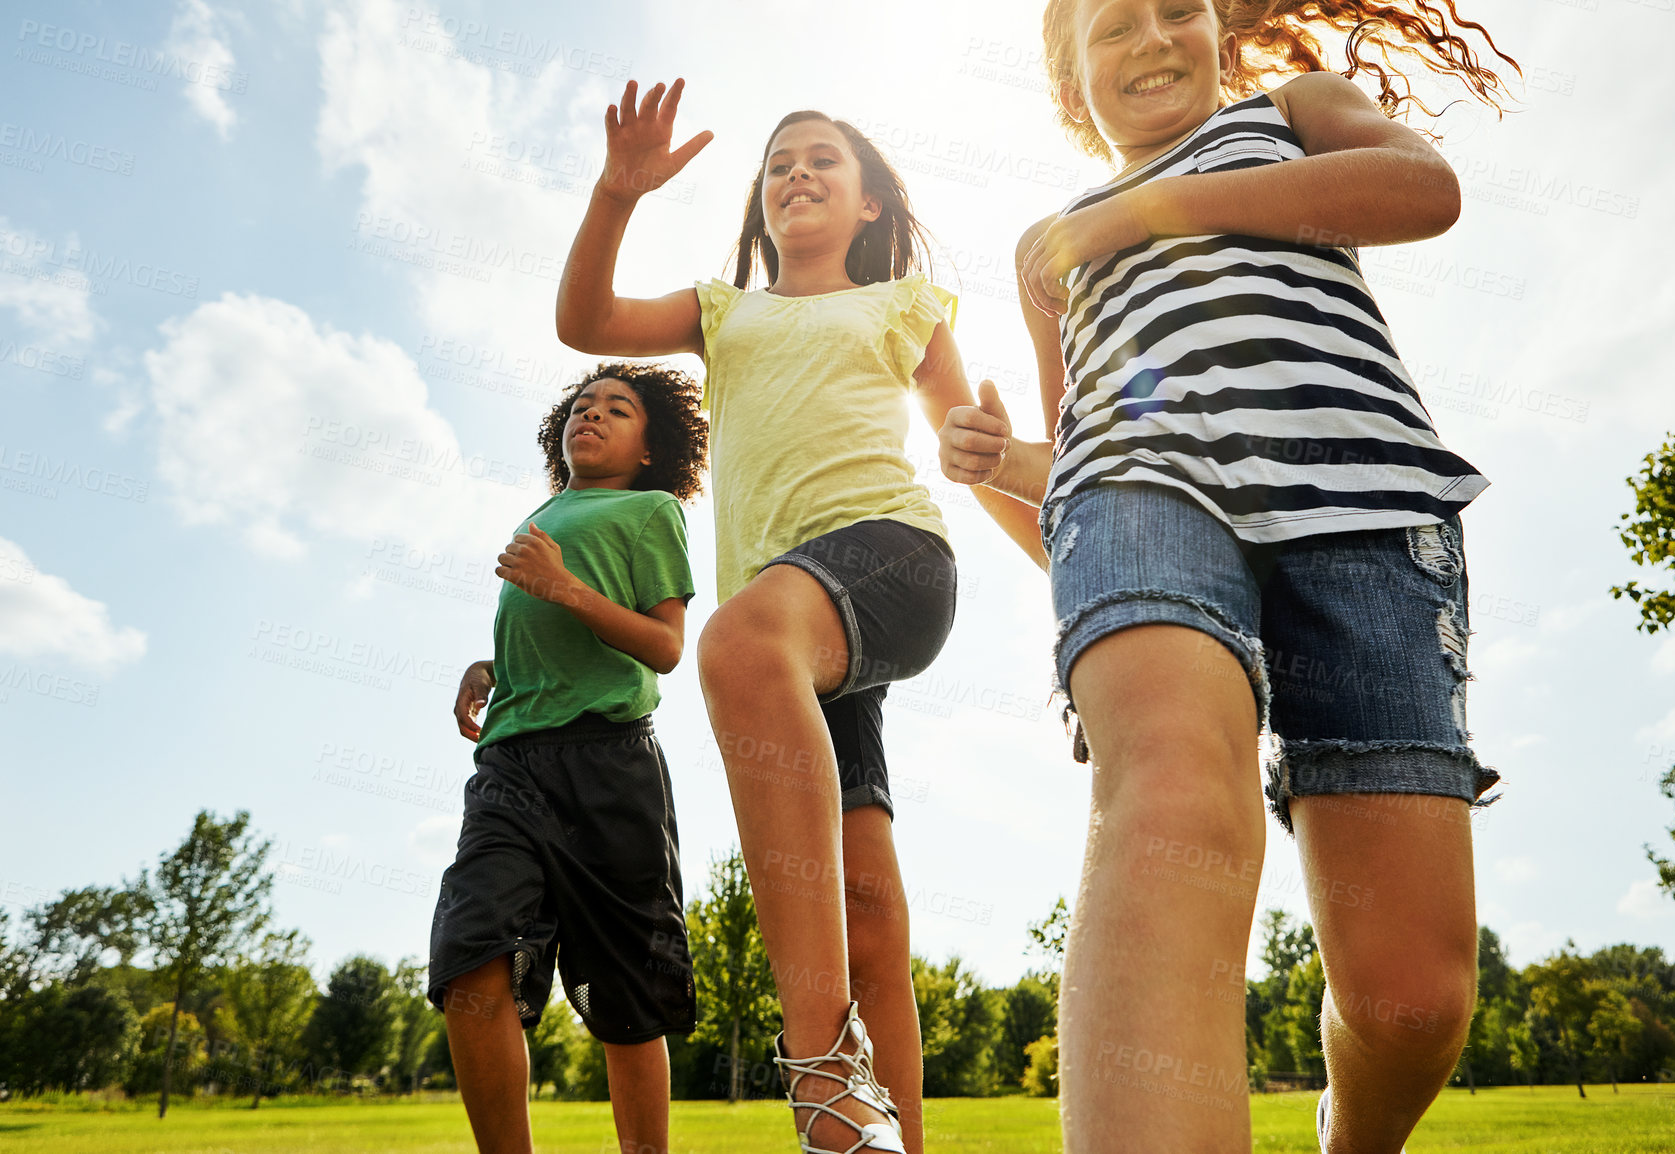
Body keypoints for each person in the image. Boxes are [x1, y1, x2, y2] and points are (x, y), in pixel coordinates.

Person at [937, 2, 1518, 1150]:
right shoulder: (1049, 245)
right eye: (1112, 27)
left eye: (1177, 12)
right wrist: (1000, 468)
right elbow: (1084, 471)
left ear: (1216, 32)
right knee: (1170, 789)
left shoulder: (1289, 113)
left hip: (1365, 506)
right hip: (1139, 490)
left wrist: (1168, 205)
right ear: (1068, 83)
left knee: (1411, 1003)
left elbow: (1421, 190)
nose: (1152, 37)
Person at [554, 78, 1023, 1154]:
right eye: (777, 165)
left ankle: (822, 1087)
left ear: (868, 203)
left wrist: (1071, 577)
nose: (796, 174)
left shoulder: (904, 305)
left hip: (892, 561)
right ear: (760, 204)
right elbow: (585, 321)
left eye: (820, 159)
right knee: (864, 900)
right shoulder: (724, 310)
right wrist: (616, 193)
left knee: (736, 640)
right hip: (800, 644)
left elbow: (977, 460)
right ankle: (892, 1136)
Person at [429, 362, 708, 1154]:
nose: (592, 415)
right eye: (582, 406)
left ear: (652, 448)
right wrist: (491, 668)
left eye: (618, 409)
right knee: (469, 956)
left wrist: (562, 589)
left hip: (609, 767)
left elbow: (663, 646)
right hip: (510, 766)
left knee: (628, 997)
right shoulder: (545, 513)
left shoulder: (651, 511)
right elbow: (544, 633)